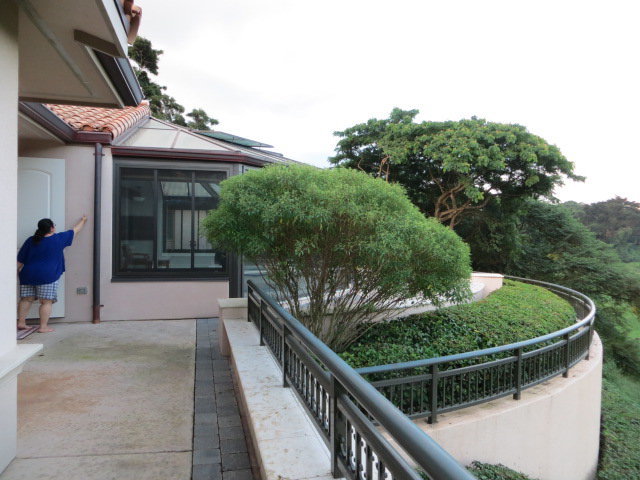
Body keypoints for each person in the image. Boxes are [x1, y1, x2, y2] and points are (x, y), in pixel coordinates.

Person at [17, 216, 87, 333]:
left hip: (27, 274)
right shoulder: (59, 239)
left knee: (26, 299)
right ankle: (43, 327)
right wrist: (83, 220)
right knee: (46, 302)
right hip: (47, 276)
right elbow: (76, 230)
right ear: (52, 228)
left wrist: (15, 273)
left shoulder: (31, 240)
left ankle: (21, 323)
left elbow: (20, 260)